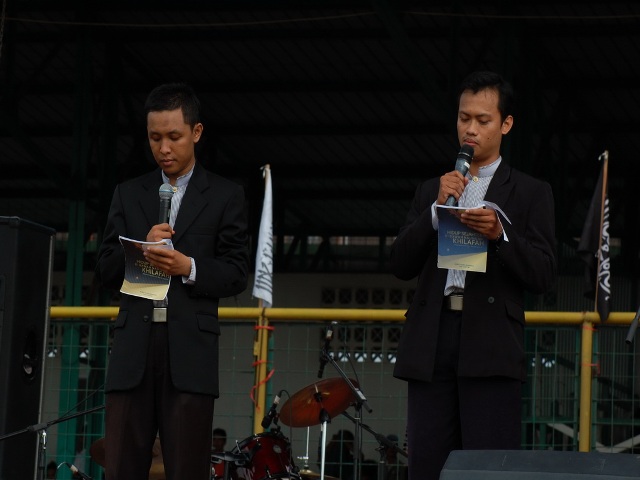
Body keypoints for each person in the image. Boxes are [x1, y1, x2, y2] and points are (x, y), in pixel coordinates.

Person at [390, 70, 557, 480]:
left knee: (487, 467)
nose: (471, 129)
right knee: (426, 465)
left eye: (483, 120)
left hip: (490, 342)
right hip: (432, 339)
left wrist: (501, 235)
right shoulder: (432, 188)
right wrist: (434, 212)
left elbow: (544, 274)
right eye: (464, 118)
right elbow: (399, 264)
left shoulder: (531, 192)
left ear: (506, 124)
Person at [96, 82, 249, 480]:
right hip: (133, 349)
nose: (164, 148)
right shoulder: (128, 193)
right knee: (121, 467)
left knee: (186, 468)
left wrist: (188, 266)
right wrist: (141, 248)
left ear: (196, 132)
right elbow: (105, 269)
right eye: (154, 138)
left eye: (174, 137)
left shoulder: (225, 195)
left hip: (190, 352)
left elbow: (236, 272)